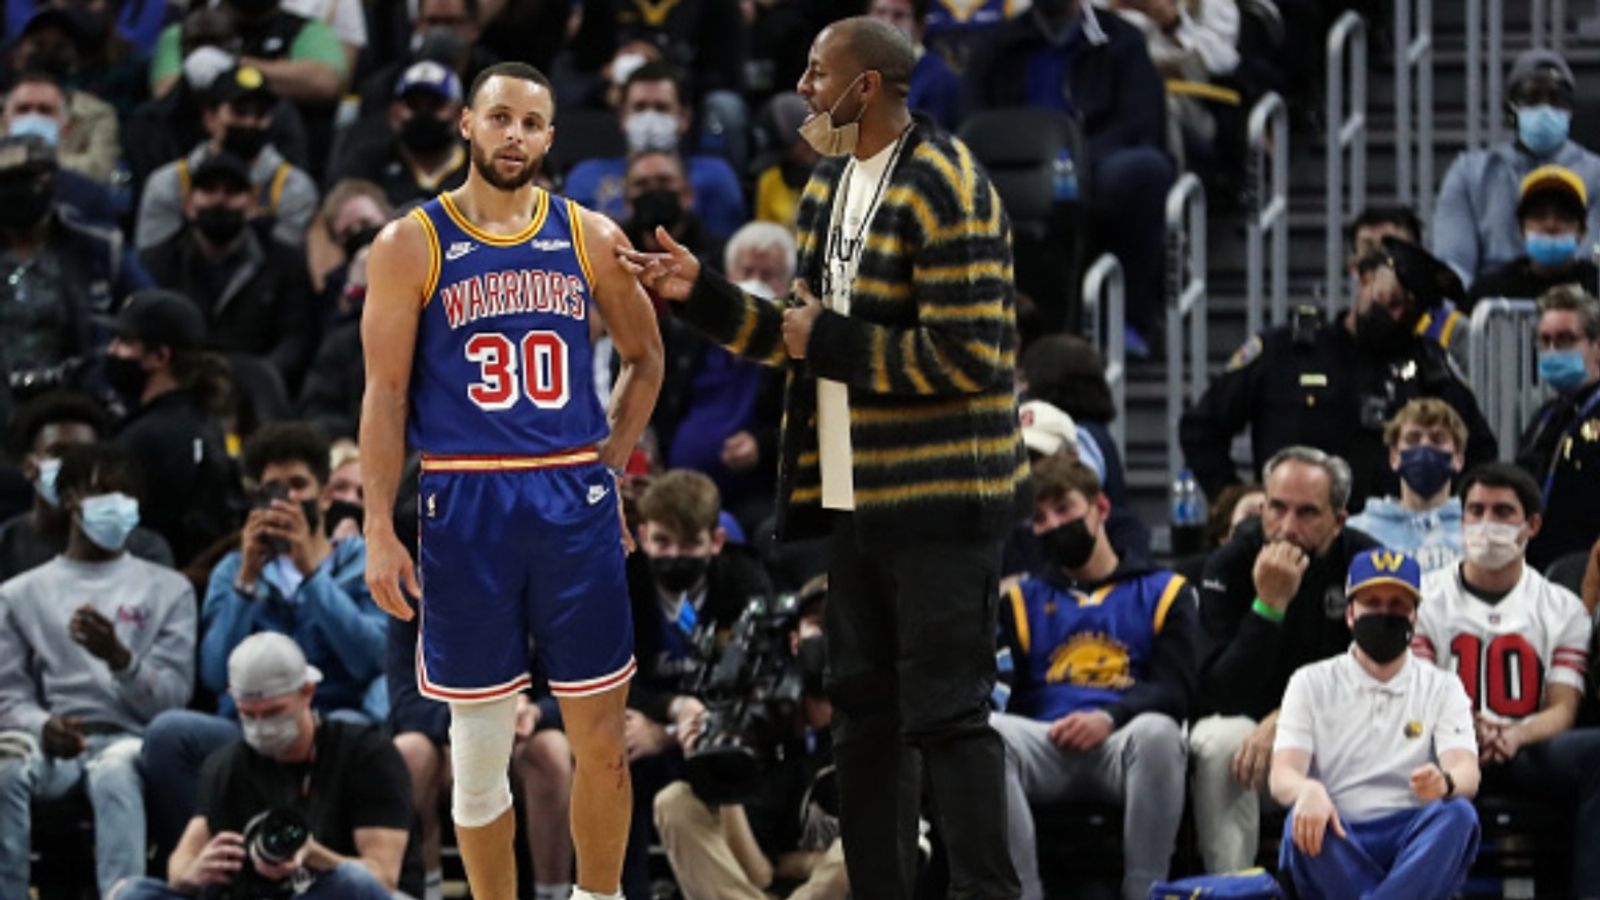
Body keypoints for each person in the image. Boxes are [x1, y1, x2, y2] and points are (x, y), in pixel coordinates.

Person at [619, 17, 1026, 899]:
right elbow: (797, 339)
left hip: (945, 500)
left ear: (867, 85)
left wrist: (832, 339)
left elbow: (970, 359)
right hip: (851, 495)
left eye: (816, 72)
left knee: (950, 721)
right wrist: (703, 295)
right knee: (863, 723)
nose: (802, 87)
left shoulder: (949, 187)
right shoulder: (827, 185)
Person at [359, 61, 665, 900]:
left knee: (599, 741)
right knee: (479, 745)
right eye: (499, 118)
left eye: (532, 123)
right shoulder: (410, 241)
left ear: (551, 137)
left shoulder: (591, 234)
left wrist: (607, 470)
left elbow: (646, 361)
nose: (514, 136)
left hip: (571, 496)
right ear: (466, 123)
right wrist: (379, 528)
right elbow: (383, 397)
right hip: (463, 498)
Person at [991, 455, 1197, 900]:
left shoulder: (1166, 591)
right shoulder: (1019, 602)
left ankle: (1146, 891)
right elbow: (1003, 692)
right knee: (985, 735)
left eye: (1064, 509)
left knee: (1160, 732)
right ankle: (1022, 894)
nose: (1052, 525)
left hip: (1122, 743)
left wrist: (1109, 716)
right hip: (1046, 740)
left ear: (1100, 507)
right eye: (1040, 519)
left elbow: (1175, 689)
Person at [0, 441, 196, 898]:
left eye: (128, 494)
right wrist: (44, 726)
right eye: (104, 491)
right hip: (49, 739)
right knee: (5, 770)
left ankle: (123, 894)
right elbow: (8, 694)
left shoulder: (170, 589)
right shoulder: (18, 595)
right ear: (69, 499)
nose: (118, 505)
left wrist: (120, 659)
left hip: (131, 737)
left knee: (114, 774)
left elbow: (173, 699)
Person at [1180, 236, 1497, 509]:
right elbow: (1201, 428)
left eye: (1409, 313)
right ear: (1365, 279)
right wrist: (1235, 498)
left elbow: (1481, 451)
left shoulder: (1430, 370)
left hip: (1390, 542)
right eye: (1390, 302)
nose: (1396, 316)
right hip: (1294, 533)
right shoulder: (1287, 351)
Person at [1190, 446, 1381, 874]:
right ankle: (1231, 885)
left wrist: (1289, 717)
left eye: (1308, 513)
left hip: (1338, 737)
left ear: (1339, 520)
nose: (1287, 528)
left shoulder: (1366, 563)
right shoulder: (1232, 561)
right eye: (1276, 508)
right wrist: (1269, 606)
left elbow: (1379, 675)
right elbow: (1218, 693)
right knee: (1219, 742)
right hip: (1254, 744)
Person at [1413, 463, 1600, 895]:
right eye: (1475, 511)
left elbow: (1563, 708)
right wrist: (1463, 728)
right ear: (1460, 520)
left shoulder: (1562, 607)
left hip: (1526, 748)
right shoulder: (1424, 597)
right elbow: (1418, 690)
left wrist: (1515, 736)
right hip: (1443, 744)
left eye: (1502, 512)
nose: (1486, 524)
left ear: (1532, 525)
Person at [116, 634, 409, 900]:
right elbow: (180, 864)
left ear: (306, 692)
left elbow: (381, 880)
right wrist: (194, 875)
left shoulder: (366, 753)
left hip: (329, 893)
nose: (262, 726)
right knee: (131, 893)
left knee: (352, 881)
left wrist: (311, 854)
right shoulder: (227, 765)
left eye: (273, 712)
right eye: (248, 714)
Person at [1270, 549, 1481, 900]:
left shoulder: (1443, 686)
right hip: (1337, 831)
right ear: (1350, 614)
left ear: (1415, 616)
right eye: (1373, 603)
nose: (1385, 614)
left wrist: (1444, 781)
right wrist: (1307, 790)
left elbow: (1467, 773)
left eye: (1398, 605)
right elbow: (1282, 776)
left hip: (1412, 836)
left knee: (1458, 814)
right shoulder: (1310, 682)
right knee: (1301, 819)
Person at [964, 0, 1175, 349]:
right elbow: (972, 122)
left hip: (1095, 166)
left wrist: (1077, 161)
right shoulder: (996, 44)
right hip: (1016, 169)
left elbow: (1142, 125)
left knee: (1144, 170)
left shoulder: (1121, 40)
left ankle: (1127, 318)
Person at [619, 469, 773, 896]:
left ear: (716, 541)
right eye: (663, 542)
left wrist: (675, 731)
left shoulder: (745, 581)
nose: (674, 555)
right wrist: (673, 712)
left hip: (724, 732)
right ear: (643, 534)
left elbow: (759, 677)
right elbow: (612, 677)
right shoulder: (623, 581)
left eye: (690, 545)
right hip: (643, 724)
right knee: (613, 755)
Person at [652, 576, 848, 900]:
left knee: (863, 848)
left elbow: (902, 848)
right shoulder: (769, 721)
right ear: (795, 641)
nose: (835, 638)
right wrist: (721, 766)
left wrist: (805, 865)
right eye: (821, 625)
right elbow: (758, 872)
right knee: (675, 802)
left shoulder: (889, 720)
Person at [0, 133, 151, 424]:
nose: (14, 190)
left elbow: (149, 311)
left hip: (79, 405)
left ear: (53, 181)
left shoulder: (99, 247)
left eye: (26, 179)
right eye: (5, 181)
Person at [139, 151, 318, 385]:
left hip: (255, 389)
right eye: (209, 190)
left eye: (232, 192)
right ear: (189, 203)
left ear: (252, 203)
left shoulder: (285, 263)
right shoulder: (158, 261)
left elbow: (297, 337)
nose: (220, 200)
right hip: (177, 385)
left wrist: (260, 378)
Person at [1434, 48, 1600, 286]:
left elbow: (1595, 258)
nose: (1545, 109)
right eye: (1532, 98)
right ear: (1511, 109)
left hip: (1578, 305)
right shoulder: (1469, 173)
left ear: (1570, 110)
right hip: (1490, 305)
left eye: (1556, 99)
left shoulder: (1596, 174)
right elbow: (1455, 266)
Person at [103, 289, 241, 566]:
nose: (112, 351)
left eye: (125, 342)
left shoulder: (144, 437)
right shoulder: (206, 423)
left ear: (159, 357)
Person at [136, 65, 319, 250]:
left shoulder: (293, 186)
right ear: (210, 119)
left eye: (260, 114)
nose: (250, 122)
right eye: (240, 112)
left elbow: (288, 267)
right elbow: (152, 260)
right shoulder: (170, 182)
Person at [562, 62, 747, 239]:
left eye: (661, 108)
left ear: (684, 118)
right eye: (640, 107)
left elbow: (724, 249)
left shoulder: (715, 176)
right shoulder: (586, 177)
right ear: (622, 117)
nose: (650, 117)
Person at [0, 391, 172, 581]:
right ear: (29, 466)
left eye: (83, 454)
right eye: (58, 452)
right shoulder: (6, 545)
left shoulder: (144, 549)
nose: (71, 464)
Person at [1517, 285, 1600, 570]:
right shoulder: (1545, 417)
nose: (1553, 351)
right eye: (1545, 341)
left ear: (1596, 346)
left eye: (1565, 340)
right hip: (1540, 566)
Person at [326, 60, 470, 210]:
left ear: (459, 114)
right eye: (413, 104)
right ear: (393, 113)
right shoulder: (364, 164)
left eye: (435, 105)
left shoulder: (481, 168)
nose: (423, 116)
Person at [1348, 399, 1469, 575]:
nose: (1425, 446)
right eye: (1413, 439)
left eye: (1437, 439)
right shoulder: (1358, 531)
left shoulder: (1476, 530)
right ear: (1394, 457)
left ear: (1458, 458)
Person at [148, 0, 348, 105]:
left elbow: (326, 82)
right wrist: (280, 71)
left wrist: (229, 63)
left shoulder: (308, 30)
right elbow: (166, 91)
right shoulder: (185, 31)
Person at [1470, 164, 1600, 305]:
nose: (1551, 225)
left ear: (1582, 231)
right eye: (1539, 216)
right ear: (1521, 230)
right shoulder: (1489, 292)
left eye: (1564, 217)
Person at [3, 70, 120, 221]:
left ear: (66, 127)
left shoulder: (91, 196)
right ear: (5, 123)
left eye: (45, 110)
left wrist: (37, 158)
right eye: (23, 109)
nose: (33, 116)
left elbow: (101, 172)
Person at [866, 0, 960, 131]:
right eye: (880, 12)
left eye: (899, 15)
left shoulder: (940, 78)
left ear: (919, 27)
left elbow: (932, 142)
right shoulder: (851, 67)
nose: (886, 23)